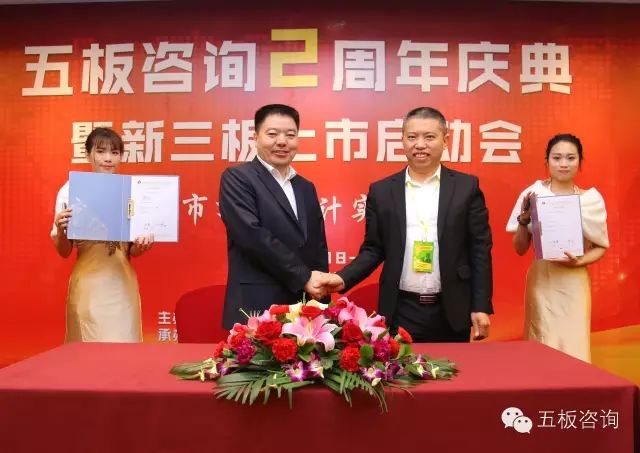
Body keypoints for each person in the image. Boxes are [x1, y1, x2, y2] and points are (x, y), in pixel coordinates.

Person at [321, 107, 493, 342]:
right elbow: (373, 249)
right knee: (400, 367)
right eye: (412, 137)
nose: (420, 144)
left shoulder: (466, 188)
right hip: (401, 309)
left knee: (453, 367)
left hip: (452, 309)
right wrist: (342, 278)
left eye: (429, 137)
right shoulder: (382, 191)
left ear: (445, 140)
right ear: (402, 140)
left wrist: (480, 306)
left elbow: (479, 249)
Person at [219, 104, 329, 329]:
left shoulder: (305, 187)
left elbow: (317, 244)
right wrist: (304, 278)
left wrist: (321, 294)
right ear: (255, 138)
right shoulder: (238, 178)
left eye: (290, 135)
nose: (282, 141)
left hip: (304, 305)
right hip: (257, 305)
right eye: (272, 134)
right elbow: (252, 236)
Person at [506, 134, 609, 362]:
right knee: (542, 343)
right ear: (547, 161)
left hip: (574, 282)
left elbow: (601, 246)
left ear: (580, 162)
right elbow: (520, 248)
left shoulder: (591, 200)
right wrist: (523, 221)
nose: (564, 164)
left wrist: (579, 261)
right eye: (557, 158)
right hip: (543, 281)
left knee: (574, 346)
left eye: (571, 158)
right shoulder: (532, 194)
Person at [51, 127, 154, 342]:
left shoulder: (133, 191)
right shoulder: (70, 190)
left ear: (121, 157)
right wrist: (60, 229)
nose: (108, 158)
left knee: (124, 348)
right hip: (88, 286)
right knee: (86, 350)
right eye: (100, 151)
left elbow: (132, 250)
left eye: (114, 152)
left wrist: (142, 245)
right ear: (88, 154)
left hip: (122, 285)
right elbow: (64, 251)